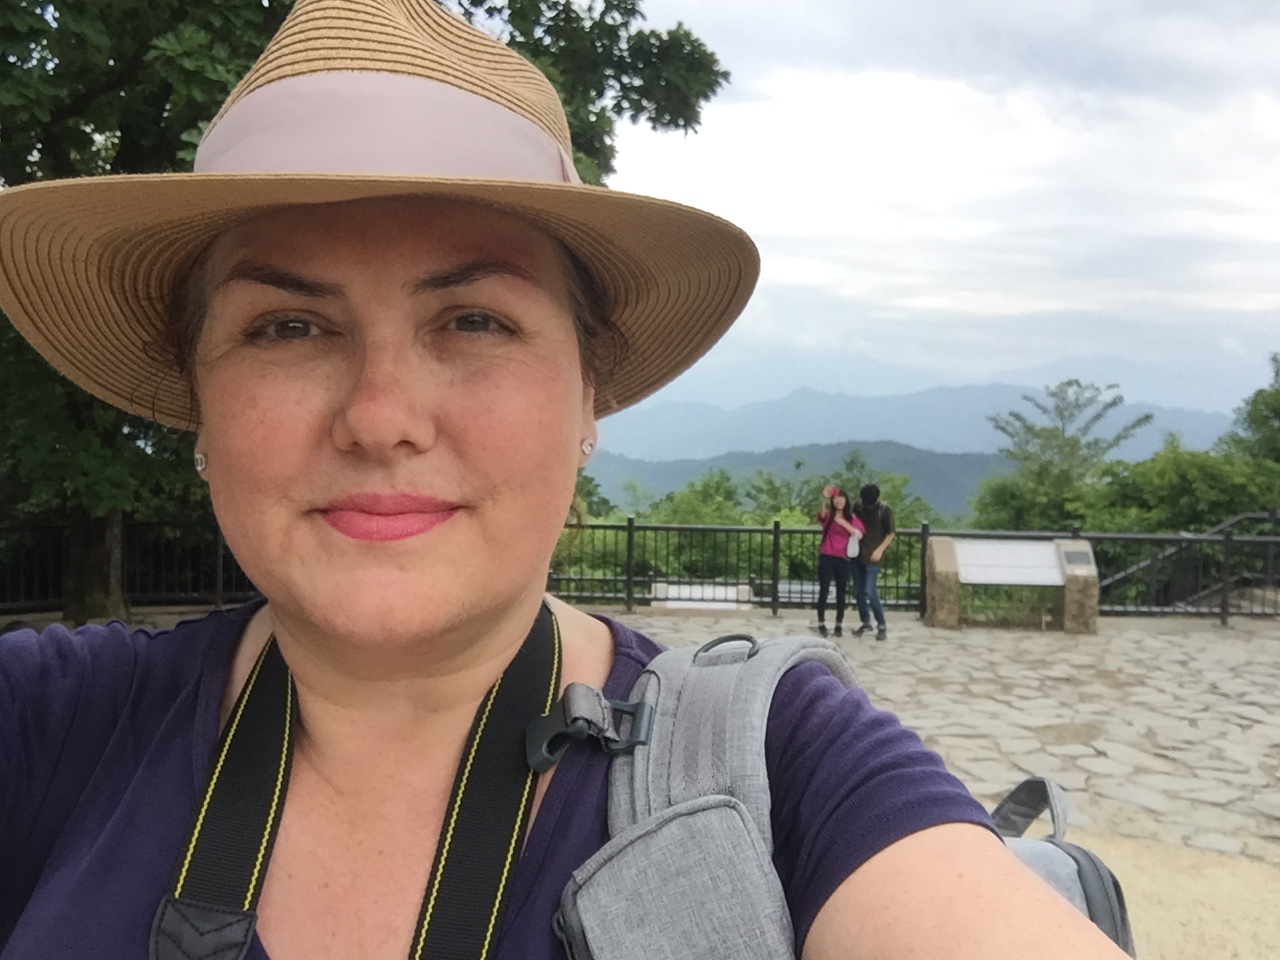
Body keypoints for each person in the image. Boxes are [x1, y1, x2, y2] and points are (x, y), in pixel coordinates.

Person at [0, 2, 1130, 958]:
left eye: (474, 320)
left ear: (589, 394)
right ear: (198, 398)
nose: (381, 417)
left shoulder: (777, 769)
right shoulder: (49, 727)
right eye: (287, 326)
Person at [814, 486, 865, 636]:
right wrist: (823, 498)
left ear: (846, 501)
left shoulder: (852, 518)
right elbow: (821, 515)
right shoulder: (829, 516)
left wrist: (842, 522)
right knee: (824, 590)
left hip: (843, 558)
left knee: (841, 592)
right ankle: (821, 623)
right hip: (827, 555)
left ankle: (838, 625)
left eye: (841, 499)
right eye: (835, 500)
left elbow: (859, 534)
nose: (838, 502)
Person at [852, 483, 896, 642]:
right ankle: (865, 621)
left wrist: (880, 550)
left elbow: (891, 533)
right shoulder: (858, 507)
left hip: (873, 557)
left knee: (870, 591)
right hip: (857, 555)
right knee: (858, 591)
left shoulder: (884, 510)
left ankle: (881, 624)